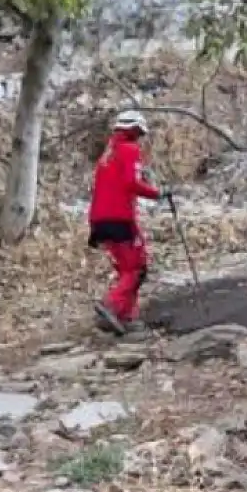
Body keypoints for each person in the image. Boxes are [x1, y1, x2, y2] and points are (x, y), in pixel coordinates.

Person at [87, 110, 166, 335]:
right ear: (134, 130)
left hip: (99, 220)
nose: (140, 138)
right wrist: (157, 193)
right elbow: (132, 183)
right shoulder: (129, 150)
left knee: (126, 268)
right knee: (137, 267)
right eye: (139, 133)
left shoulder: (108, 153)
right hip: (120, 218)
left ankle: (127, 316)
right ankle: (111, 307)